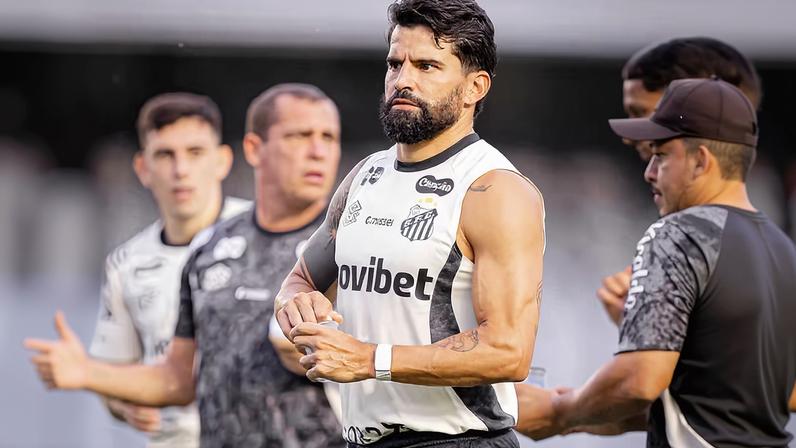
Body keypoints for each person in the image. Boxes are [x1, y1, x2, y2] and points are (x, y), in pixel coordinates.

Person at [274, 1, 545, 447]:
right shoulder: (364, 176)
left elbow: (508, 351)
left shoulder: (494, 189)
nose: (403, 80)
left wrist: (369, 360)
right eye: (395, 63)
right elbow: (301, 279)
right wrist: (296, 304)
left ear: (475, 87)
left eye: (427, 66)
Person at [24, 83, 344, 447]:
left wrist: (308, 346)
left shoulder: (348, 245)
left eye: (329, 138)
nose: (318, 151)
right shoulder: (207, 248)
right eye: (300, 136)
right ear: (254, 149)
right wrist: (88, 373)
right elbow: (177, 380)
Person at [516, 78, 796, 447]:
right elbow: (774, 395)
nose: (648, 171)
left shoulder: (679, 233)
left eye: (661, 156)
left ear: (700, 161)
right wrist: (653, 333)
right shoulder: (782, 249)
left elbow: (639, 380)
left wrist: (559, 410)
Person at [93, 92, 251, 447]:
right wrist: (124, 405)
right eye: (165, 155)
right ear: (143, 168)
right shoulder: (125, 263)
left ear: (222, 160)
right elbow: (113, 376)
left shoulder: (267, 237)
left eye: (195, 153)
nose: (181, 170)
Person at [598, 37, 763, 325]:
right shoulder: (768, 244)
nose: (630, 136)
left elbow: (648, 371)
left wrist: (641, 332)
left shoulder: (685, 239)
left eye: (643, 114)